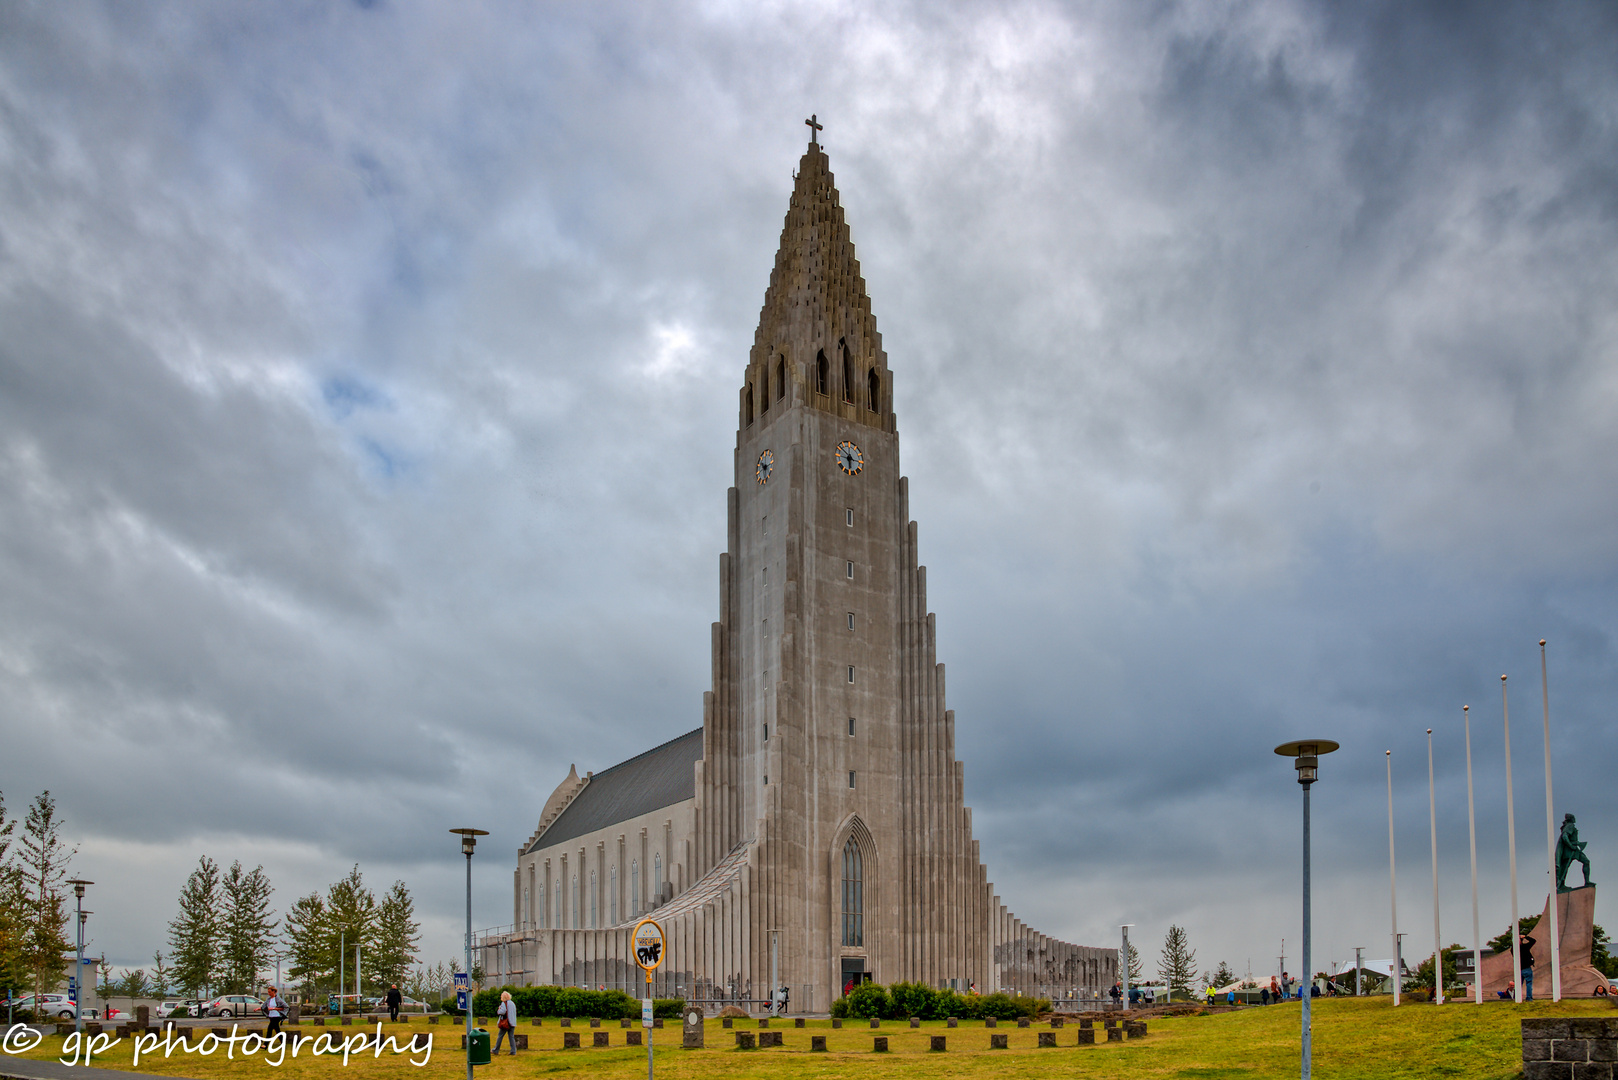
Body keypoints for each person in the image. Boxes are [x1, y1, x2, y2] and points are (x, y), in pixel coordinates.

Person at [1520, 933, 1536, 1001]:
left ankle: (1517, 997)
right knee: (1529, 983)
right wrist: (1526, 936)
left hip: (1519, 969)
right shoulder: (1525, 947)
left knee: (1518, 984)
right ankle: (1529, 997)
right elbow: (1533, 941)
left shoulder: (1513, 950)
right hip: (1526, 968)